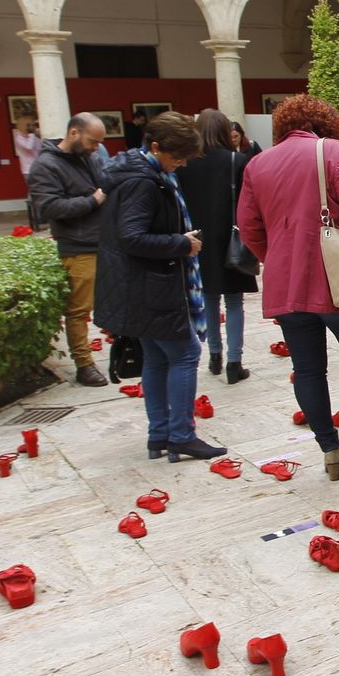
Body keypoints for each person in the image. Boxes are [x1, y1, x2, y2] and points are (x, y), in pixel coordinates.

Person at [238, 96, 339, 482]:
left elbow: (248, 227)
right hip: (337, 279)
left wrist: (276, 257)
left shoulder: (257, 164)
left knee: (308, 370)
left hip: (286, 285)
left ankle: (330, 451)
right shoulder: (332, 152)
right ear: (327, 124)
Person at [94, 112, 224, 463]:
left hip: (140, 285)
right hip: (151, 285)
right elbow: (132, 237)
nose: (182, 164)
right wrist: (181, 243)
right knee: (185, 354)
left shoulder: (138, 173)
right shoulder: (143, 182)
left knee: (156, 357)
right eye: (177, 156)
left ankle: (160, 435)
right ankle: (181, 435)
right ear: (155, 147)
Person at [28, 112, 109, 387]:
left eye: (99, 143)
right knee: (78, 309)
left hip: (105, 241)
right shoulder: (45, 165)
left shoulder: (89, 157)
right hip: (78, 246)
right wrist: (93, 200)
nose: (96, 148)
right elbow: (48, 208)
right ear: (74, 133)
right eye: (92, 141)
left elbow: (105, 185)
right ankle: (84, 365)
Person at [177, 109, 258, 385]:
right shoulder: (237, 160)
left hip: (197, 238)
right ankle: (235, 362)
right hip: (230, 236)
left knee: (208, 297)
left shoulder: (185, 164)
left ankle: (214, 356)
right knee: (234, 301)